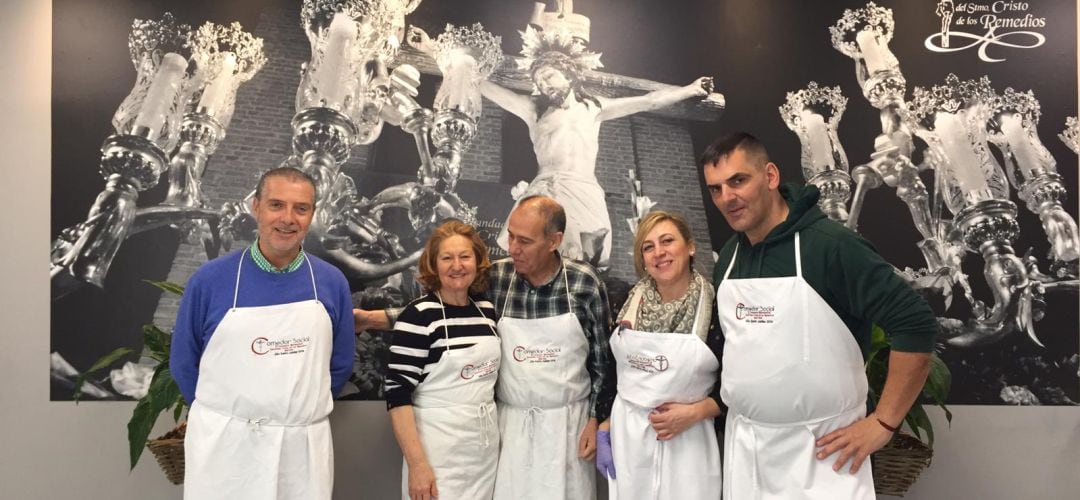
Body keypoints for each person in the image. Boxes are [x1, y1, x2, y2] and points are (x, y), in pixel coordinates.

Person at [701, 132, 936, 499]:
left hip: (823, 454)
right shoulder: (728, 259)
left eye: (738, 180)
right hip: (746, 450)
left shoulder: (831, 246)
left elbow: (915, 324)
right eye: (715, 189)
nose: (727, 198)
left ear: (771, 176)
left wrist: (884, 422)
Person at [357, 195, 615, 500]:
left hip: (567, 425)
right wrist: (374, 318)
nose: (512, 248)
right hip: (509, 426)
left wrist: (596, 418)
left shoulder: (585, 284)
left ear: (554, 241)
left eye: (525, 241)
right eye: (511, 237)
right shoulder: (499, 277)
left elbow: (603, 362)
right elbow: (443, 308)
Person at [453, 23, 711, 270]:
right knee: (533, 258)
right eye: (539, 81)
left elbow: (649, 101)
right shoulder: (534, 111)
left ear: (568, 74)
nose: (544, 84)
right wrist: (451, 59)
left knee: (588, 259)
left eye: (549, 76)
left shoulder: (593, 107)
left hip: (582, 188)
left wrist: (689, 89)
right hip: (545, 189)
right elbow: (490, 89)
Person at [170, 166, 355, 500]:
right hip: (226, 449)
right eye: (276, 205)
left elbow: (338, 367)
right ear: (256, 207)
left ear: (312, 214)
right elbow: (184, 363)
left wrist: (292, 412)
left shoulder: (331, 282)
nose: (288, 218)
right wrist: (226, 417)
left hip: (301, 451)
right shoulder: (210, 280)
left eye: (301, 208)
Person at [596, 210, 724, 499]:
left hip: (687, 441)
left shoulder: (715, 308)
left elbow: (737, 382)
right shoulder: (625, 303)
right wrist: (606, 422)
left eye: (668, 241)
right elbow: (615, 371)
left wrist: (698, 411)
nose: (659, 253)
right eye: (648, 247)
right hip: (629, 440)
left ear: (689, 247)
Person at [384, 220, 500, 500]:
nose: (457, 266)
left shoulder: (485, 310)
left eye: (465, 256)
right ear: (433, 265)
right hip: (437, 454)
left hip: (484, 452)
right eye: (447, 258)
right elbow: (397, 394)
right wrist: (417, 465)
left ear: (477, 260)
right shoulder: (418, 315)